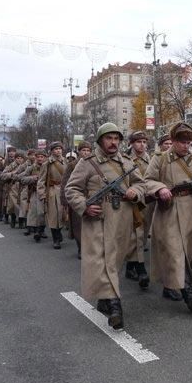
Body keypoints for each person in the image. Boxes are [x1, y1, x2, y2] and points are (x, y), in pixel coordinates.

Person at [65, 123, 146, 330]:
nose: (113, 142)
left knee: (114, 262)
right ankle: (116, 309)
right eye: (109, 138)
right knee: (104, 262)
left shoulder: (127, 163)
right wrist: (84, 206)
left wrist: (135, 192)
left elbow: (141, 183)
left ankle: (104, 299)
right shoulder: (87, 163)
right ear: (101, 140)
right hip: (97, 221)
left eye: (116, 138)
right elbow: (72, 189)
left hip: (122, 220)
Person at [143, 122, 192, 312]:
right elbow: (147, 181)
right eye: (181, 141)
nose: (185, 145)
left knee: (184, 251)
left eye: (188, 142)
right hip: (169, 210)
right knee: (175, 251)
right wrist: (160, 188)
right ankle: (189, 295)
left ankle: (169, 286)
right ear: (173, 141)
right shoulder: (160, 158)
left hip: (191, 209)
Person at [124, 131, 152, 288]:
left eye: (144, 141)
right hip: (133, 202)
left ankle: (129, 268)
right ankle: (141, 271)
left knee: (142, 235)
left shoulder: (151, 159)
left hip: (149, 202)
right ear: (132, 144)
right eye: (138, 141)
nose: (142, 144)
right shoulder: (126, 160)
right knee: (136, 236)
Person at [61, 142, 92, 259]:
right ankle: (80, 248)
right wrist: (64, 200)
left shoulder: (93, 163)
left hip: (91, 197)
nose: (86, 153)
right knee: (78, 224)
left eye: (88, 150)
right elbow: (66, 182)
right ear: (78, 151)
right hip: (77, 197)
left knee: (90, 224)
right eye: (83, 150)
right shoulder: (72, 164)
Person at [37, 142, 66, 249]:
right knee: (54, 216)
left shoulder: (66, 162)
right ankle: (56, 238)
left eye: (60, 149)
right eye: (56, 149)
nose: (58, 151)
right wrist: (42, 194)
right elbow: (41, 181)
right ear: (52, 151)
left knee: (63, 215)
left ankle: (59, 232)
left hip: (65, 191)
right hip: (52, 191)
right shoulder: (47, 164)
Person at [22, 149, 47, 243]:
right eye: (38, 157)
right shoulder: (31, 167)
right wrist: (32, 178)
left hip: (48, 192)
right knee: (37, 212)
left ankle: (42, 229)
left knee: (45, 212)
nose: (40, 159)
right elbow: (22, 179)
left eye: (42, 157)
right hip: (35, 192)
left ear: (45, 158)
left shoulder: (48, 166)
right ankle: (37, 231)